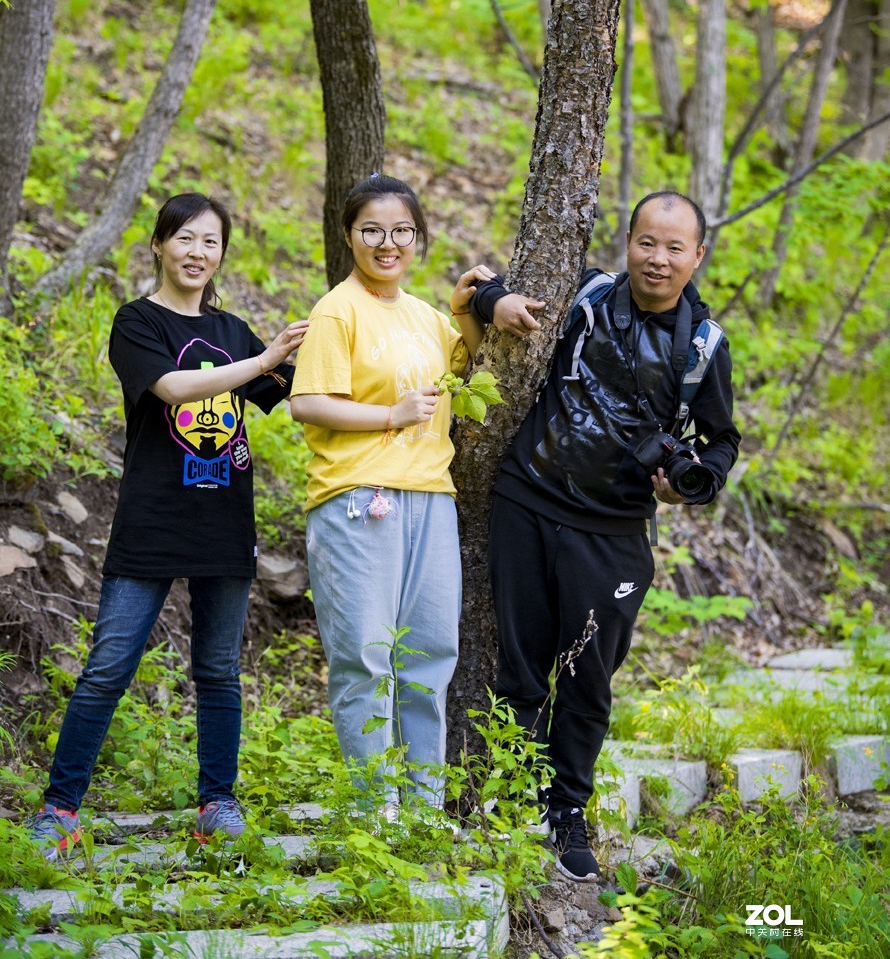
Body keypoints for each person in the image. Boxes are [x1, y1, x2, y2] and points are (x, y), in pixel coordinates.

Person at [26, 192, 309, 860]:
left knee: (217, 671)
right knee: (107, 667)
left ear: (221, 255)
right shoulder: (137, 322)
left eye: (210, 242)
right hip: (152, 521)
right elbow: (176, 389)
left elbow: (300, 397)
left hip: (223, 523)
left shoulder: (236, 333)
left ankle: (218, 804)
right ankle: (59, 810)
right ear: (158, 244)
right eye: (184, 238)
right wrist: (266, 360)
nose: (196, 252)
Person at [471, 191, 740, 881]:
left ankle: (566, 813)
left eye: (675, 247)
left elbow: (721, 441)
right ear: (629, 241)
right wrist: (490, 303)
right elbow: (491, 293)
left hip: (616, 530)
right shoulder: (586, 293)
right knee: (521, 667)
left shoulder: (705, 347)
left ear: (698, 256)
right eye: (648, 242)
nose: (659, 258)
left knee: (587, 678)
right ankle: (505, 804)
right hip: (528, 500)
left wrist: (690, 479)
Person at [290, 174, 493, 818]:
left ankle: (425, 812)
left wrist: (463, 312)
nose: (387, 244)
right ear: (350, 235)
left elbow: (472, 367)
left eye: (400, 231)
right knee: (366, 658)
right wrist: (390, 414)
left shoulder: (425, 317)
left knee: (432, 654)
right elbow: (307, 402)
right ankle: (376, 816)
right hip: (357, 498)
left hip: (431, 498)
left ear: (417, 238)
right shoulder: (337, 310)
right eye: (372, 231)